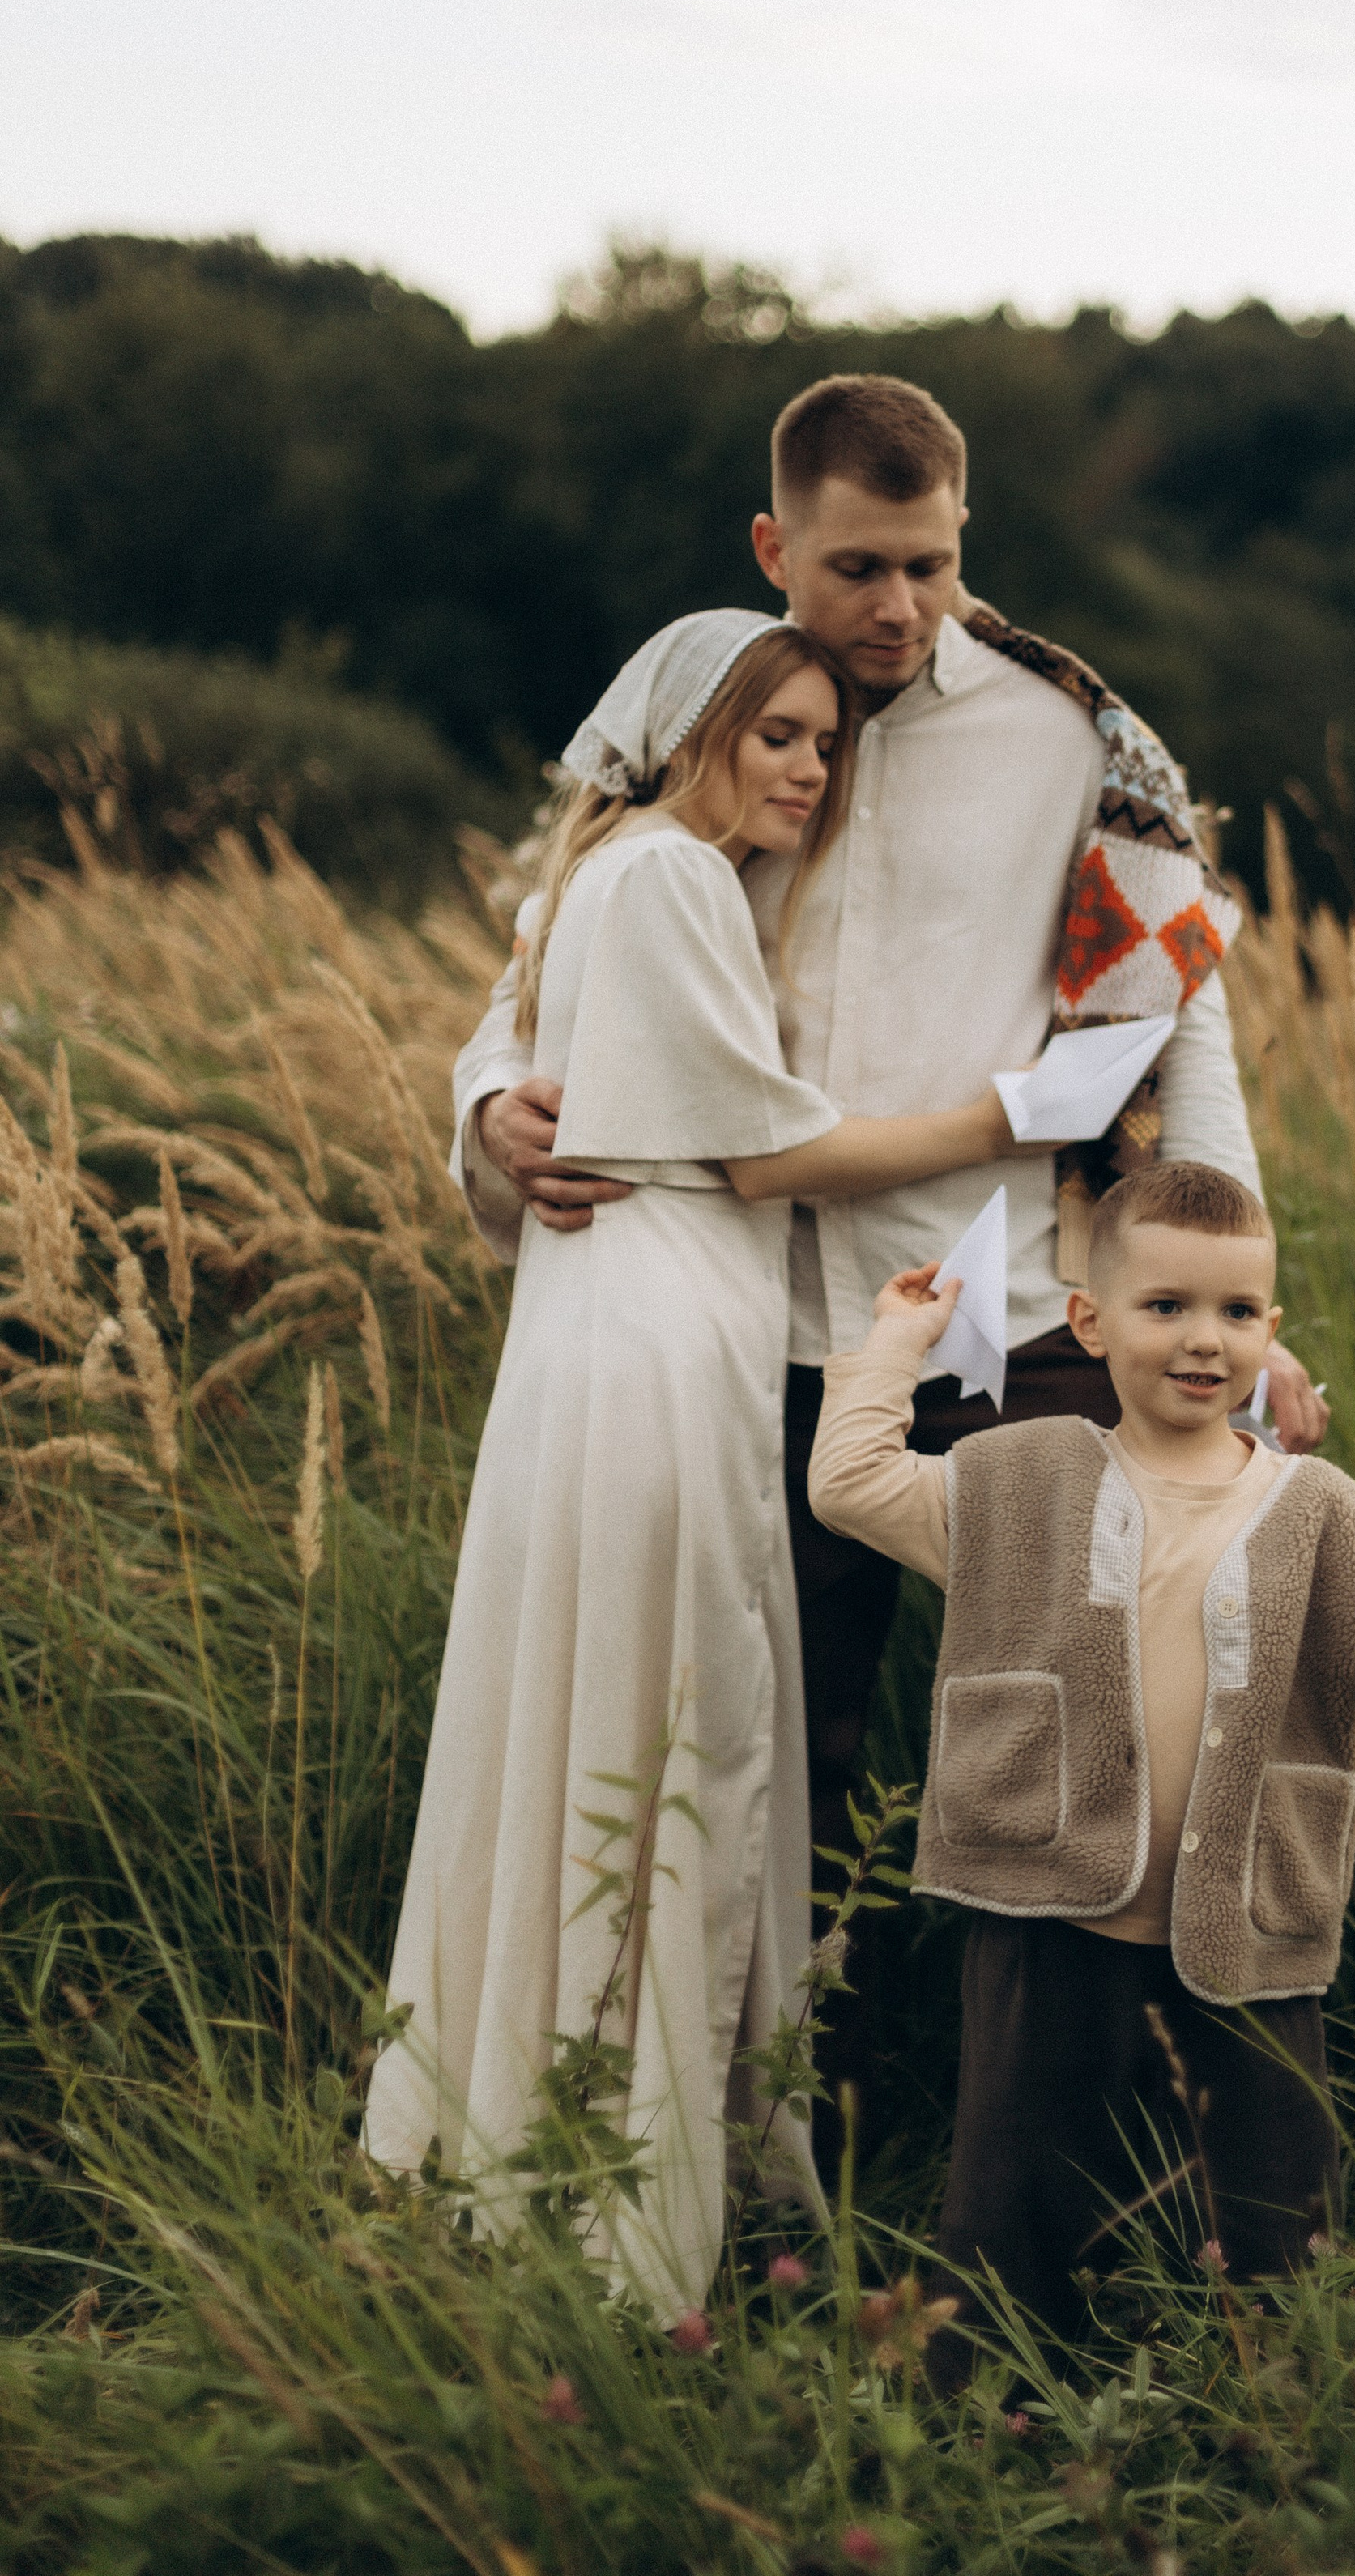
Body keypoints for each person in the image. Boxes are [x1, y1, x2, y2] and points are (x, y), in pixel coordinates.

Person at [449, 374, 1331, 2123]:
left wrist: (1245, 1304)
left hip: (1000, 1313)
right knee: (779, 1762)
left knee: (1106, 1731)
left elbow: (1175, 1027)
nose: (896, 610)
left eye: (928, 565)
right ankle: (788, 2153)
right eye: (854, 566)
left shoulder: (1077, 737)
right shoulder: (706, 712)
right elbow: (535, 970)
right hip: (734, 1330)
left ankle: (1105, 2147)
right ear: (773, 545)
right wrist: (486, 1115)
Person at [364, 611, 1032, 2323]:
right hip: (658, 1333)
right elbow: (770, 1153)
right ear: (693, 735)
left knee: (601, 1720)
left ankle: (552, 2135)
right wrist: (1016, 1116)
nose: (807, 769)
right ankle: (630, 2203)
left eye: (824, 743)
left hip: (607, 1326)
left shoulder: (634, 877)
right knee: (671, 1735)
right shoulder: (665, 880)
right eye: (777, 737)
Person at [807, 1160, 1355, 2371]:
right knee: (1013, 2209)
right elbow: (851, 1483)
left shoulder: (1321, 1513)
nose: (1206, 1341)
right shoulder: (1024, 1478)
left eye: (1238, 1314)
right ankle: (988, 2420)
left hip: (1247, 1937)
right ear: (1088, 1323)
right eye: (1167, 1308)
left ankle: (1269, 2426)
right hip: (1049, 1923)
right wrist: (898, 1340)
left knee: (1273, 2223)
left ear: (1271, 1331)